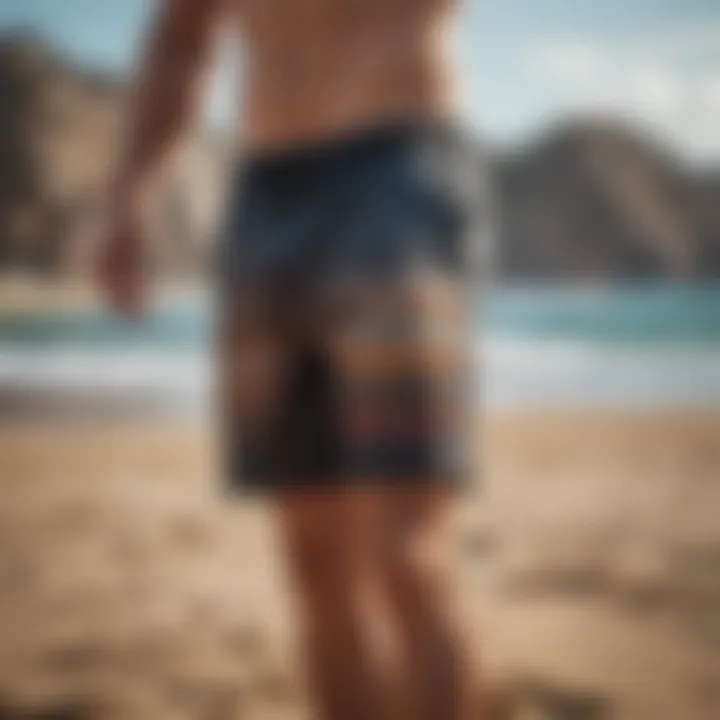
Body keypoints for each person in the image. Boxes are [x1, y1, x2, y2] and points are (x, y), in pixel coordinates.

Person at [99, 1, 486, 718]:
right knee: (313, 565)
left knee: (408, 559)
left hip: (397, 159)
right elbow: (182, 34)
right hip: (265, 188)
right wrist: (130, 192)